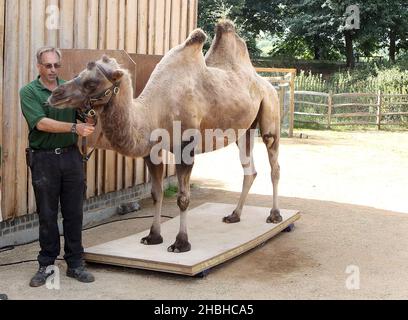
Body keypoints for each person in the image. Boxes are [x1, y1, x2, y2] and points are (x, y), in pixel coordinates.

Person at [19, 47, 96, 287]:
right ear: (39, 66)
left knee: (74, 212)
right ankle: (47, 264)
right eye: (48, 65)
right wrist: (74, 128)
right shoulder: (29, 92)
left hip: (71, 157)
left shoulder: (71, 89)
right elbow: (40, 123)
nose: (52, 70)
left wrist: (91, 114)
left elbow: (85, 118)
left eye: (56, 65)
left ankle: (75, 264)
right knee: (48, 214)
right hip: (44, 160)